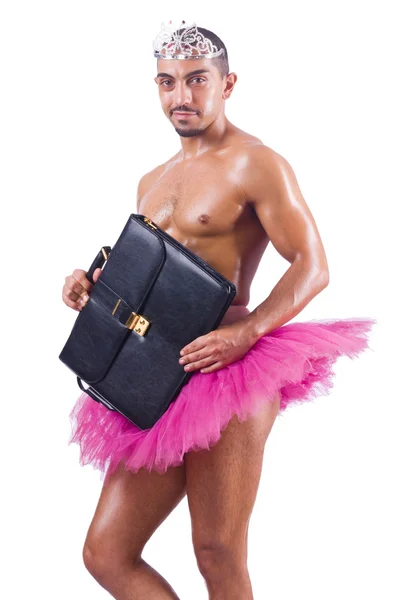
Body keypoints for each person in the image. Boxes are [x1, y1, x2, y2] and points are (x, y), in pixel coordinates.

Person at [61, 21, 375, 600]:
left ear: (227, 84)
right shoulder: (151, 182)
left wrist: (249, 332)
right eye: (167, 82)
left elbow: (313, 264)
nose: (181, 97)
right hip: (159, 368)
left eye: (196, 80)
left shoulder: (257, 163)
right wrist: (92, 284)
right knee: (106, 553)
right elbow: (153, 276)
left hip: (232, 363)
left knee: (218, 550)